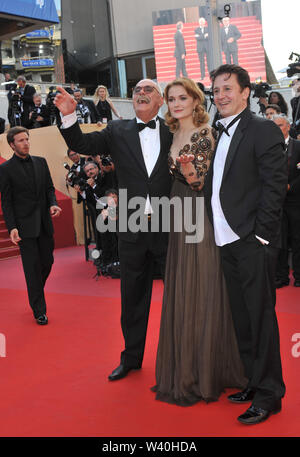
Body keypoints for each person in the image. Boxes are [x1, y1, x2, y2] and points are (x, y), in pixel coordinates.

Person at [54, 79, 173, 381]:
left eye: (149, 90)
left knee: (180, 296)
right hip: (131, 228)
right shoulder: (117, 131)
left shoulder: (176, 130)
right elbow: (83, 145)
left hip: (170, 227)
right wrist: (69, 116)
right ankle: (131, 358)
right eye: (136, 91)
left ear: (161, 100)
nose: (141, 94)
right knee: (132, 296)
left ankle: (181, 358)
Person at [152, 78, 247, 406]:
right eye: (171, 98)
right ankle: (186, 365)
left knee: (202, 286)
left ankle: (204, 371)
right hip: (179, 215)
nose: (176, 103)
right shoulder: (175, 132)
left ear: (195, 101)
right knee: (183, 285)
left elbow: (205, 185)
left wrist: (191, 175)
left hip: (199, 215)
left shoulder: (205, 135)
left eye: (182, 97)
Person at [204, 64, 287, 425]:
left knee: (260, 318)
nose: (220, 96)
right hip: (226, 240)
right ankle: (254, 381)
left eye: (227, 89)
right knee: (242, 317)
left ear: (245, 92)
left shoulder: (262, 129)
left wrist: (261, 236)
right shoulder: (217, 131)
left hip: (252, 240)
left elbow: (274, 186)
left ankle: (270, 395)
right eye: (216, 90)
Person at [0, 126, 62, 324]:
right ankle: (39, 310)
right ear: (12, 145)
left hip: (44, 223)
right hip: (25, 227)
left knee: (47, 263)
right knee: (31, 268)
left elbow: (50, 189)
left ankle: (35, 290)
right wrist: (12, 227)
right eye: (20, 140)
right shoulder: (5, 169)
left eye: (26, 139)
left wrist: (53, 203)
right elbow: (6, 201)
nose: (25, 143)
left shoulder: (41, 162)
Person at [272, 114, 300, 288]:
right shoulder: (269, 147)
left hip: (295, 201)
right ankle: (281, 276)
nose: (278, 129)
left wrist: (291, 187)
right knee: (279, 241)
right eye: (274, 126)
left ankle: (299, 275)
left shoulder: (298, 146)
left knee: (297, 239)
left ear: (288, 126)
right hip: (276, 201)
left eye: (280, 125)